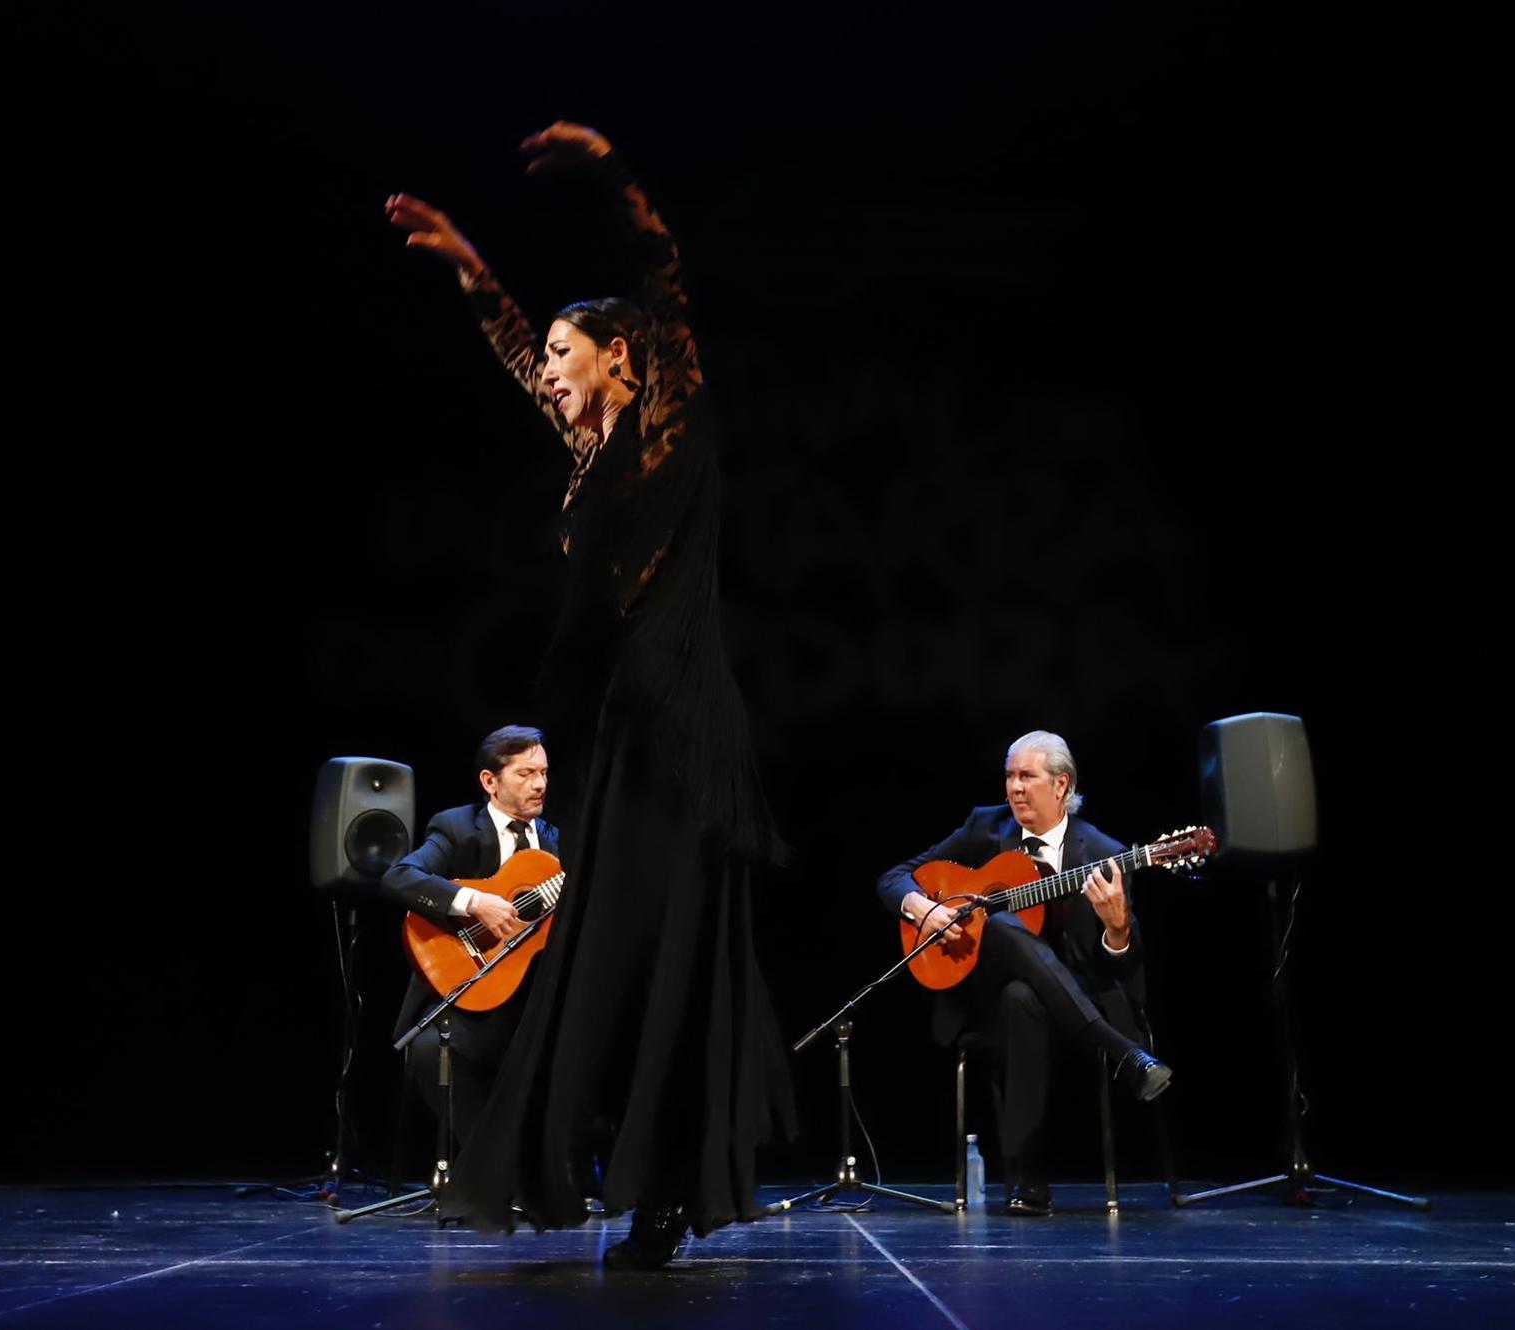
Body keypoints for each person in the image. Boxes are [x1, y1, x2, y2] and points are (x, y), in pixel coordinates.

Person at [385, 123, 792, 1267]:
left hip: (688, 721)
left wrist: (613, 174)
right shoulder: (583, 447)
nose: (550, 369)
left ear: (622, 357)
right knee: (604, 952)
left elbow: (661, 281)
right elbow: (514, 349)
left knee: (666, 952)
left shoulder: (669, 416)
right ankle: (602, 1160)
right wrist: (470, 266)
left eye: (570, 353)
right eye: (550, 356)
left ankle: (666, 1189)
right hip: (623, 725)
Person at [875, 730, 1171, 1216]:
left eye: (1026, 776)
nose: (1014, 787)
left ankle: (1027, 1187)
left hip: (1076, 1002)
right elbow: (893, 879)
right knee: (1003, 928)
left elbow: (1124, 963)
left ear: (1061, 786)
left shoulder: (1104, 853)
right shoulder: (983, 829)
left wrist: (1117, 926)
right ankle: (1123, 1054)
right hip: (982, 1006)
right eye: (1009, 776)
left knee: (1022, 996)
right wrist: (923, 909)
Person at [377, 726, 557, 1152]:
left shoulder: (555, 840)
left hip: (536, 999)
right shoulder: (456, 828)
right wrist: (474, 901)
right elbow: (399, 877)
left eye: (545, 773)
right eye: (526, 773)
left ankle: (564, 1174)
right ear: (489, 782)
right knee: (428, 1050)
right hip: (470, 997)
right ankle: (489, 1170)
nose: (540, 784)